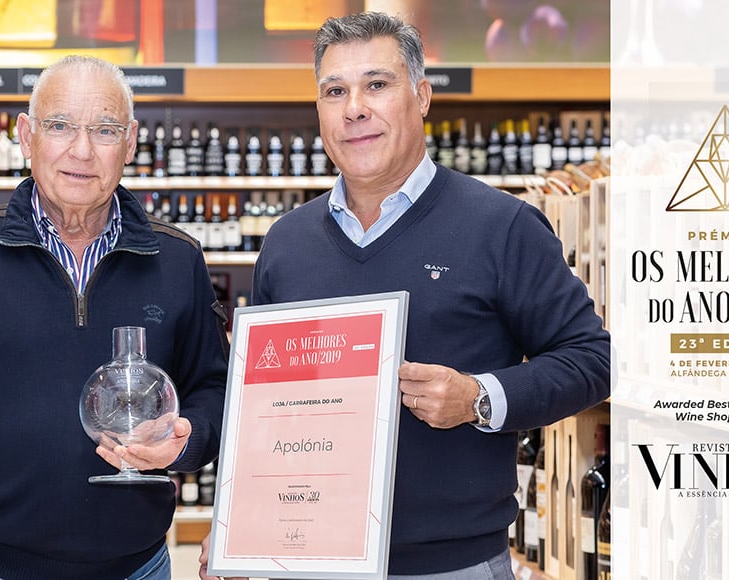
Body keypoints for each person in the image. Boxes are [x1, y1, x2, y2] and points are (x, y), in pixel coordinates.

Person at [200, 11, 609, 580]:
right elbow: (267, 411)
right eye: (334, 91)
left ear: (420, 96)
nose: (354, 108)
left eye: (376, 84)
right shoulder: (287, 245)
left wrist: (477, 398)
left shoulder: (501, 226)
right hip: (308, 561)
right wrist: (240, 522)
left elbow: (592, 359)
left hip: (452, 566)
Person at [0, 55, 229, 580]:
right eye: (60, 125)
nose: (81, 150)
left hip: (137, 568)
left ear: (130, 142)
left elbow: (216, 393)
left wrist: (187, 437)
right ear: (26, 135)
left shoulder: (178, 261)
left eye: (105, 129)